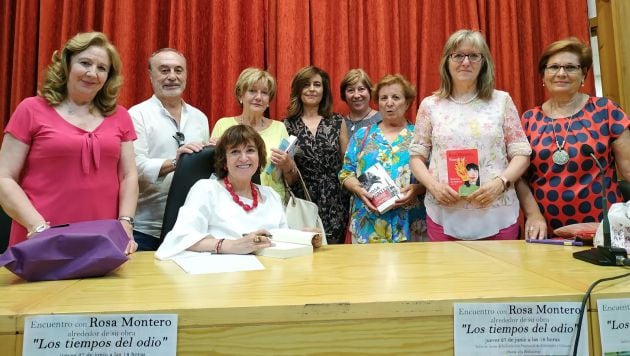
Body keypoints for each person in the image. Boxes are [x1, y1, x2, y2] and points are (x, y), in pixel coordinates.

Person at [0, 32, 138, 254]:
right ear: (66, 65)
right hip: (40, 241)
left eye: (102, 68)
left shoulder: (120, 115)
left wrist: (125, 223)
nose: (92, 73)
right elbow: (4, 177)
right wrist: (37, 228)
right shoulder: (31, 109)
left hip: (103, 243)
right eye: (85, 63)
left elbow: (128, 175)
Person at [410, 29, 531, 241]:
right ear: (447, 61)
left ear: (484, 62)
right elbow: (416, 157)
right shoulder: (430, 105)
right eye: (458, 55)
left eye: (474, 55)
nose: (466, 62)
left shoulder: (501, 101)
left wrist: (501, 182)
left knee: (500, 275)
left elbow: (521, 153)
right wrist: (433, 186)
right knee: (450, 275)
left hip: (496, 211)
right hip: (444, 214)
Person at [517, 38, 630, 239]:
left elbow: (629, 168)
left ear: (583, 74)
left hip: (604, 228)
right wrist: (533, 215)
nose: (561, 73)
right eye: (554, 67)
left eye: (570, 67)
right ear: (543, 75)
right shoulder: (528, 119)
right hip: (545, 232)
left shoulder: (605, 110)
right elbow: (519, 178)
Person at [155, 125, 285, 259]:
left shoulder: (271, 196)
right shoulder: (205, 189)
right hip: (219, 274)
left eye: (250, 150)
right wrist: (231, 246)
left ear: (259, 158)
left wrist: (305, 236)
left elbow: (285, 241)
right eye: (235, 152)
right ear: (224, 161)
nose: (244, 158)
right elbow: (180, 238)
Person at [129, 48, 210, 251]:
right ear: (150, 75)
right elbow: (133, 168)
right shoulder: (137, 115)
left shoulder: (200, 118)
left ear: (186, 75)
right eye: (164, 70)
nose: (172, 76)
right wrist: (177, 162)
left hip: (191, 228)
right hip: (147, 229)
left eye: (178, 70)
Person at [339, 74, 426, 243]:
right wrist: (358, 189)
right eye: (383, 98)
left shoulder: (419, 136)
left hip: (409, 224)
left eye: (396, 97)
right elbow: (345, 173)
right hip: (368, 224)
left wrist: (416, 189)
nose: (389, 103)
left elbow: (434, 176)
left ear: (407, 102)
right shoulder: (362, 135)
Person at [284, 66, 350, 244]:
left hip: (336, 199)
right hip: (303, 197)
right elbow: (286, 168)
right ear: (298, 90)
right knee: (306, 249)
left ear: (324, 90)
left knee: (334, 252)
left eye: (317, 85)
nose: (312, 89)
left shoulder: (337, 121)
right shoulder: (287, 125)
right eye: (306, 85)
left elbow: (347, 161)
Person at [211, 68, 295, 199]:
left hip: (271, 201)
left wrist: (287, 165)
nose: (258, 97)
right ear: (240, 95)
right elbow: (213, 170)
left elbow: (290, 179)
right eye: (252, 91)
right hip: (230, 200)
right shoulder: (223, 125)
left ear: (269, 101)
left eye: (264, 93)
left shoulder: (280, 128)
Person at [340, 69, 382, 136]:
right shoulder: (339, 124)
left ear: (370, 91)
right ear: (344, 95)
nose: (356, 95)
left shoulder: (382, 120)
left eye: (361, 89)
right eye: (351, 90)